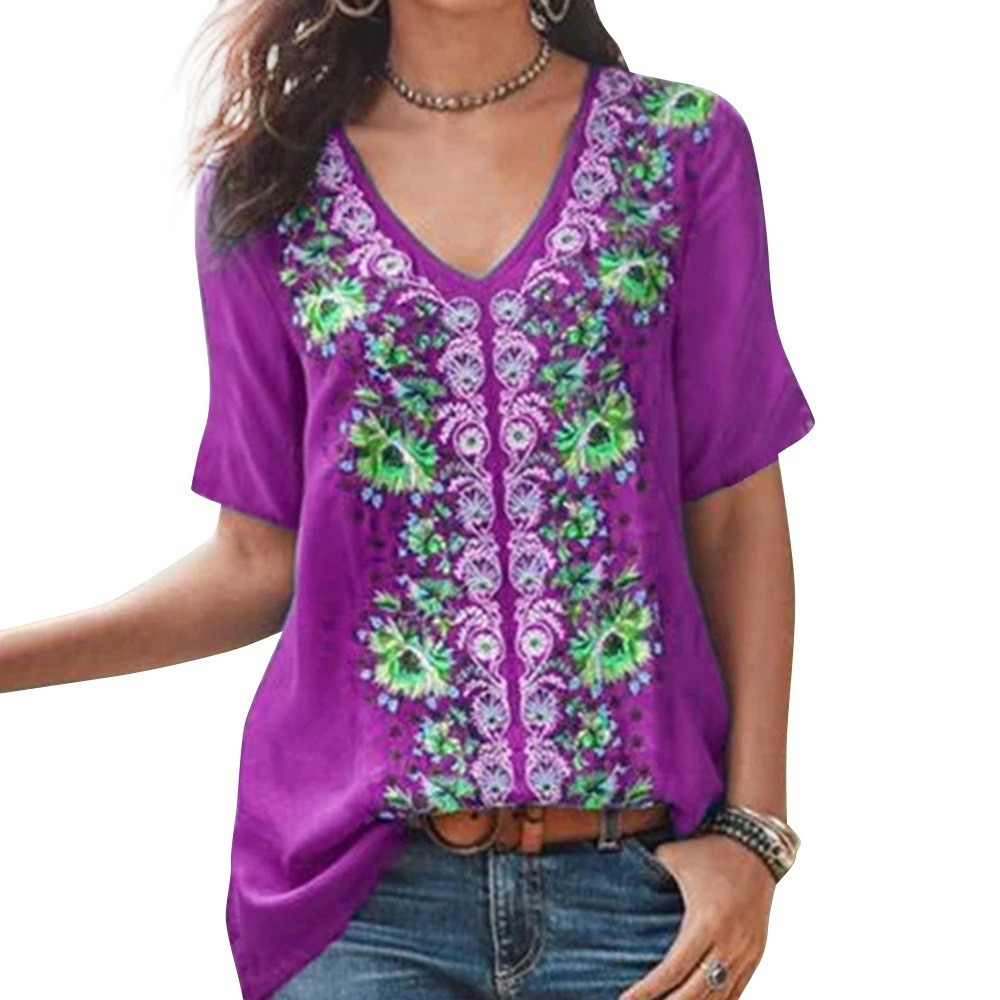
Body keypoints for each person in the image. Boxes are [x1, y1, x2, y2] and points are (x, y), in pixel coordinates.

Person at [0, 1, 815, 998]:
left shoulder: (679, 149)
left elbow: (732, 508)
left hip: (633, 901)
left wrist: (754, 834)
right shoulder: (270, 189)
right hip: (362, 909)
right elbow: (255, 559)